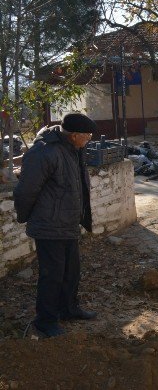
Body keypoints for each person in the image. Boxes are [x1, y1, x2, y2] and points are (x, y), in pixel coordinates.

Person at [14, 112, 98, 338]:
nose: (89, 139)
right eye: (87, 135)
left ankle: (68, 309)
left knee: (71, 272)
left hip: (68, 223)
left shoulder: (73, 150)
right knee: (52, 275)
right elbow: (25, 191)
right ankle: (45, 321)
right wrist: (26, 217)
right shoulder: (44, 153)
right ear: (74, 136)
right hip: (49, 226)